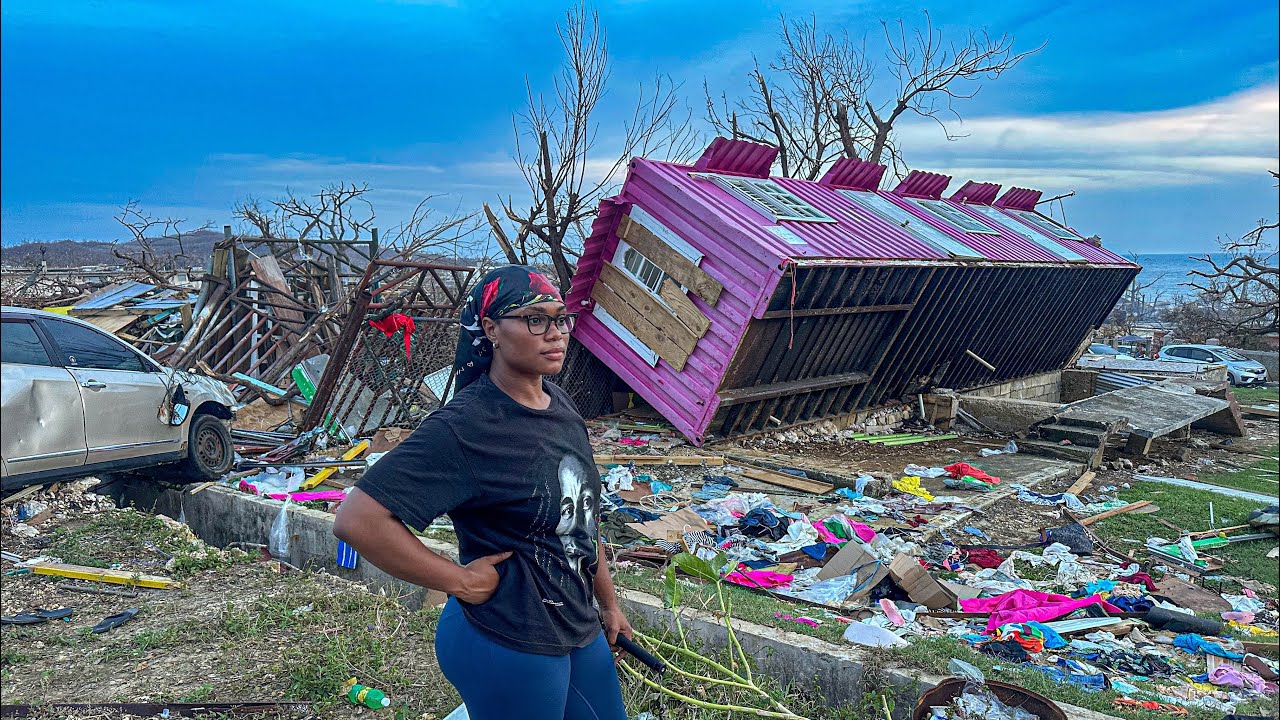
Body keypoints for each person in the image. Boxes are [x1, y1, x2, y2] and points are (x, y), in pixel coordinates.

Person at [333, 266, 631, 720]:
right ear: (490, 328)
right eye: (535, 319)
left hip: (576, 625)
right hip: (508, 638)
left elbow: (581, 523)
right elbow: (357, 520)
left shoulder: (561, 404)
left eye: (560, 318)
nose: (555, 333)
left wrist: (607, 604)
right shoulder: (466, 427)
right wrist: (460, 580)